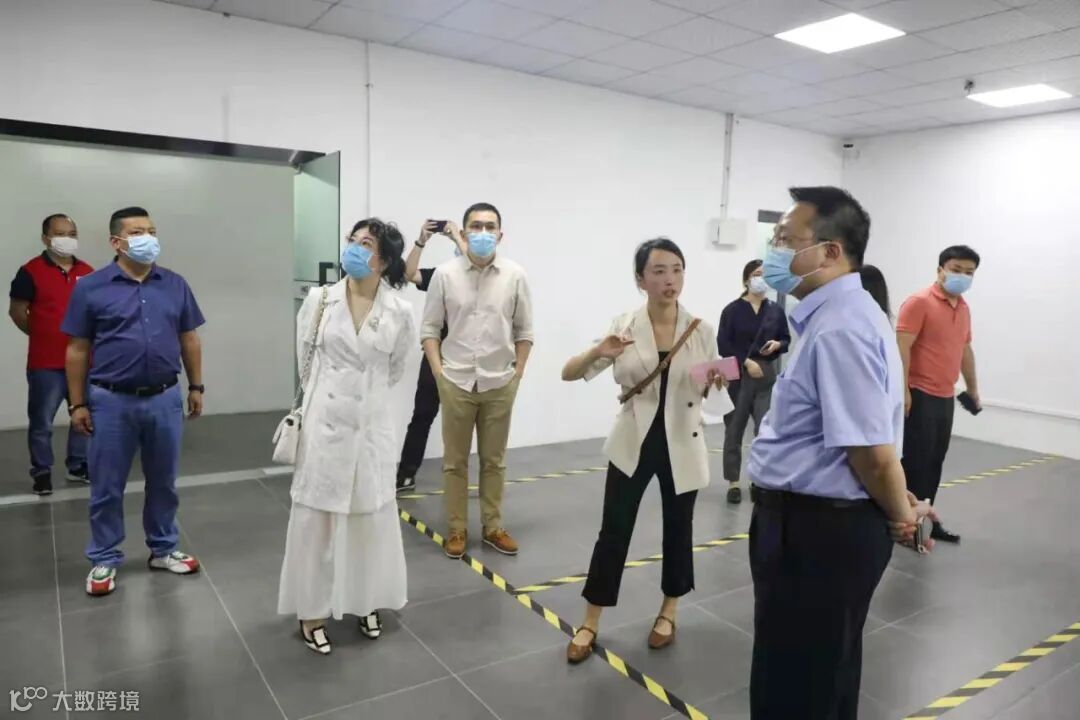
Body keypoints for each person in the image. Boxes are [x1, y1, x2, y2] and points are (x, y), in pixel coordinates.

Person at [747, 187, 936, 720]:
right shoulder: (839, 315)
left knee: (797, 685)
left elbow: (870, 454)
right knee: (821, 672)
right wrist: (900, 501)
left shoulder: (839, 328)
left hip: (816, 533)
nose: (774, 251)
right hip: (818, 525)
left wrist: (901, 517)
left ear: (830, 251)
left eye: (786, 240)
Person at [561, 238, 727, 664]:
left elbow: (712, 395)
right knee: (613, 530)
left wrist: (718, 382)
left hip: (683, 441)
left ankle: (669, 611)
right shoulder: (624, 326)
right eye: (659, 271)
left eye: (677, 269)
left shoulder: (702, 330)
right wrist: (598, 351)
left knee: (679, 528)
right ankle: (591, 620)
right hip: (633, 440)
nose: (670, 279)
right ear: (641, 280)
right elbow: (569, 373)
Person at [278, 218, 415, 655]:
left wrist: (365, 404)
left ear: (384, 260)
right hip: (325, 427)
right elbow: (305, 358)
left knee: (368, 522)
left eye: (366, 243)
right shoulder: (320, 300)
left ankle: (365, 601)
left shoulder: (399, 311)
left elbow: (395, 370)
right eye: (352, 241)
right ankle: (311, 611)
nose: (354, 249)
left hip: (371, 430)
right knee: (316, 524)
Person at [62, 207, 205, 597]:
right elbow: (77, 348)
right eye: (138, 232)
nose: (148, 238)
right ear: (116, 242)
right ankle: (104, 557)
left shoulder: (174, 284)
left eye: (152, 231)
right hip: (111, 401)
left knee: (164, 481)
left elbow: (189, 338)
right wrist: (77, 404)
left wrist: (196, 386)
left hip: (164, 397)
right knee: (107, 485)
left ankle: (163, 548)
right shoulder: (91, 288)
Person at [420, 202, 534, 559]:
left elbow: (525, 331)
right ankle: (456, 529)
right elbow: (429, 329)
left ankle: (493, 526)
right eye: (475, 226)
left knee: (494, 461)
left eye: (489, 226)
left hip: (500, 382)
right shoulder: (444, 274)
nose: (483, 232)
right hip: (455, 381)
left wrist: (517, 374)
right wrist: (439, 374)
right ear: (464, 232)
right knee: (454, 463)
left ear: (500, 234)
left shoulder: (515, 276)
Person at [896, 245, 981, 544]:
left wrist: (972, 388)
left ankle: (926, 520)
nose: (962, 276)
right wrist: (903, 389)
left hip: (945, 396)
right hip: (919, 394)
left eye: (969, 272)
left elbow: (965, 350)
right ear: (940, 270)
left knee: (934, 462)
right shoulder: (918, 302)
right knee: (915, 463)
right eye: (956, 270)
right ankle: (905, 525)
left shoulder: (964, 308)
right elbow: (901, 347)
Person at [8, 214, 94, 495]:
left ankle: (78, 465)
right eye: (60, 233)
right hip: (46, 363)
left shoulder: (88, 272)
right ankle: (42, 472)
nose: (67, 239)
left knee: (84, 415)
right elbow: (17, 311)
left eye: (72, 233)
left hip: (83, 361)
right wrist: (43, 333)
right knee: (42, 421)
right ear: (45, 238)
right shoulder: (30, 271)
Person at [396, 220, 467, 494]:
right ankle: (406, 474)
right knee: (422, 416)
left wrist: (456, 237)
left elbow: (477, 268)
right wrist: (421, 241)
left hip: (469, 360)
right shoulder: (442, 276)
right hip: (436, 357)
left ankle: (458, 473)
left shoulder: (485, 277)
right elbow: (408, 274)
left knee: (464, 420)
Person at [716, 259, 790, 504]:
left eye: (764, 275)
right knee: (734, 429)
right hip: (737, 374)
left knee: (764, 430)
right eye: (757, 274)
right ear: (747, 279)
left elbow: (786, 339)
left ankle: (759, 478)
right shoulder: (732, 310)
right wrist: (746, 362)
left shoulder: (775, 311)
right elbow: (723, 344)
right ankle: (733, 482)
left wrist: (778, 344)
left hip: (765, 375)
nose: (761, 279)